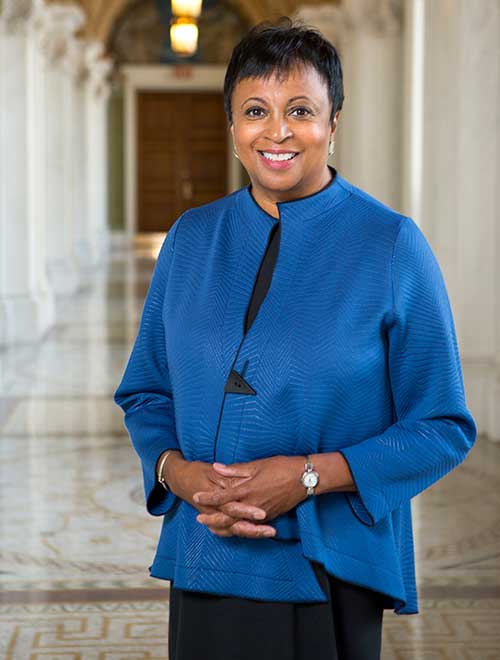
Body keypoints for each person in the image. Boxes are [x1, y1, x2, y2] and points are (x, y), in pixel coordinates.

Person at [114, 16, 477, 660]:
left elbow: (442, 426)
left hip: (327, 566)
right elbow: (145, 393)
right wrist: (180, 474)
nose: (277, 131)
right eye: (255, 110)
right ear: (232, 128)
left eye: (301, 110)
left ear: (333, 123)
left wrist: (308, 477)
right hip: (204, 554)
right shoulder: (191, 239)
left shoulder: (391, 245)